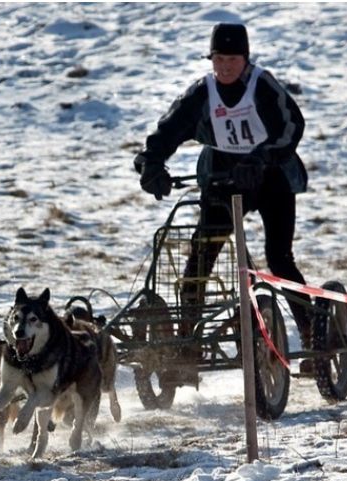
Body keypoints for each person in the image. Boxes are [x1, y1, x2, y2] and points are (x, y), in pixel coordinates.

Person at [133, 22, 313, 357]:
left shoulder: (262, 85)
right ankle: (188, 345)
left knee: (279, 259)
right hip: (221, 176)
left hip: (271, 176)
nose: (226, 66)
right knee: (200, 258)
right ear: (211, 59)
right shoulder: (202, 93)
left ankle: (311, 334)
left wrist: (261, 158)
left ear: (245, 59)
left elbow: (291, 125)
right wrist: (151, 162)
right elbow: (170, 128)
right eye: (219, 59)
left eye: (233, 59)